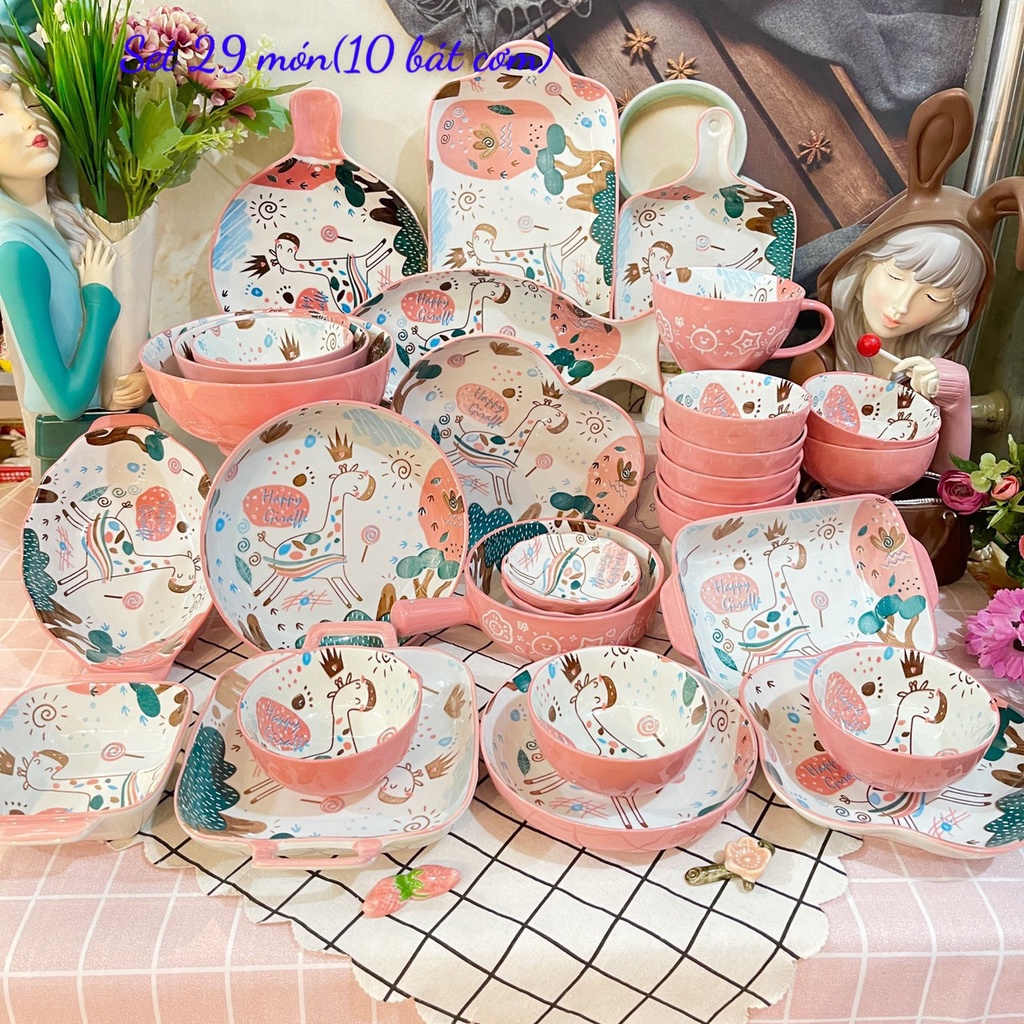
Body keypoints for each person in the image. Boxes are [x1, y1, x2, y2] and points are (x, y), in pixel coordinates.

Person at [0, 52, 148, 463]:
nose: (29, 121)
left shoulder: (69, 217)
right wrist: (98, 299)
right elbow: (66, 402)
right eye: (2, 113)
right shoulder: (15, 252)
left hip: (121, 437)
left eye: (30, 103)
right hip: (73, 458)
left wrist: (145, 378)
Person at [792, 224, 984, 466]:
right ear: (863, 269)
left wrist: (957, 400)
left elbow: (946, 477)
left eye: (933, 297)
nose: (902, 305)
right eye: (894, 277)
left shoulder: (926, 378)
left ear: (950, 313)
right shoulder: (821, 363)